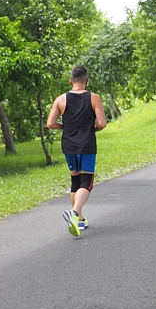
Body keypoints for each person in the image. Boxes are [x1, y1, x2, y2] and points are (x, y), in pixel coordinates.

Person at [47, 65, 107, 237]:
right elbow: (102, 124)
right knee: (86, 181)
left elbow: (50, 124)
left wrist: (66, 127)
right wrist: (91, 129)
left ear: (70, 81)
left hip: (69, 144)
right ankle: (74, 212)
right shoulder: (94, 98)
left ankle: (79, 220)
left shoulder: (60, 99)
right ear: (86, 81)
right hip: (86, 143)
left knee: (75, 181)